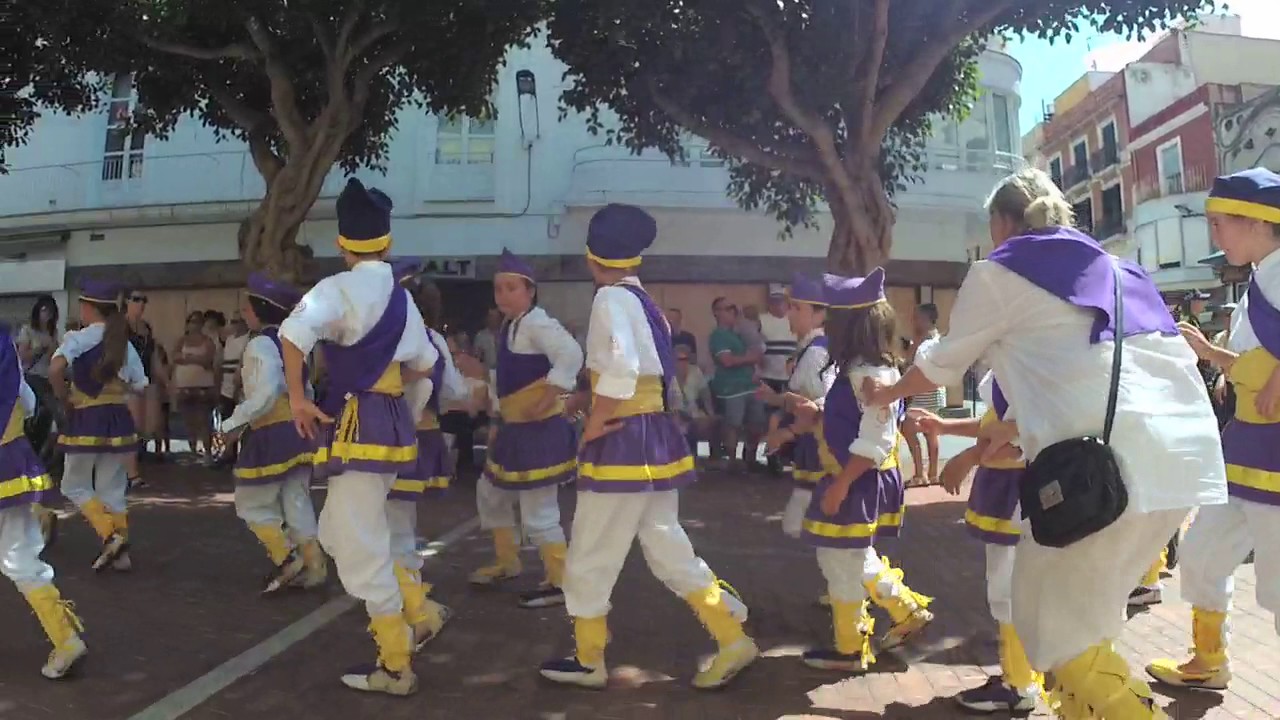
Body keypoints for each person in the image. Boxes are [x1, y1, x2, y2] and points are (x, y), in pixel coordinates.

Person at [862, 167, 1225, 718]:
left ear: (1001, 223)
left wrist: (889, 392)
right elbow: (1093, 377)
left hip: (1108, 470)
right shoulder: (1124, 271)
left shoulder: (998, 273)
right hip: (1179, 467)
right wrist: (987, 443)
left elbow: (940, 366)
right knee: (1087, 619)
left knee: (1049, 625)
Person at [540, 203, 755, 690]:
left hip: (621, 439)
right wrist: (588, 400)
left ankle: (589, 659)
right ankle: (729, 634)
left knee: (592, 552)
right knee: (667, 545)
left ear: (592, 257)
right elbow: (648, 378)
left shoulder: (609, 301)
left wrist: (592, 422)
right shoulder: (644, 303)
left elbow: (619, 376)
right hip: (653, 437)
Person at [280, 178, 438, 696]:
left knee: (355, 541)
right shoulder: (402, 297)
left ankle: (396, 663)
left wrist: (301, 399)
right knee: (349, 532)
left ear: (342, 243)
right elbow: (426, 363)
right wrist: (394, 395)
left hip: (355, 423)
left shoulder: (336, 288)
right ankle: (411, 620)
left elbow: (291, 333)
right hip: (389, 424)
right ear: (386, 243)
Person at [1147, 168, 1280, 693]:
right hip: (1245, 443)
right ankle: (1209, 660)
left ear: (1255, 222)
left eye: (1220, 223)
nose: (1215, 235)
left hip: (1274, 452)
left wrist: (1217, 356)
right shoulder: (1260, 279)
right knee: (1202, 554)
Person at [786, 270, 933, 673]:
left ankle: (851, 648)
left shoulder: (869, 371)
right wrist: (817, 413)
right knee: (849, 556)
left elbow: (875, 438)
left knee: (839, 560)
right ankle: (903, 611)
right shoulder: (863, 367)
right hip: (852, 475)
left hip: (854, 478)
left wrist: (841, 487)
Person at [910, 372, 1041, 713]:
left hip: (1017, 495)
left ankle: (1019, 683)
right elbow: (993, 426)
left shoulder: (1025, 367)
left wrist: (968, 458)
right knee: (1005, 589)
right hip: (1005, 492)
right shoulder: (1009, 366)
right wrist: (945, 426)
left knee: (1009, 591)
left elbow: (1022, 437)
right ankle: (1017, 674)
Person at [475, 249, 581, 609]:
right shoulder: (512, 325)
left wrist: (550, 394)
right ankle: (508, 561)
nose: (504, 295)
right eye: (499, 289)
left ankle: (560, 580)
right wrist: (496, 418)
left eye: (511, 288)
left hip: (538, 431)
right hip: (514, 430)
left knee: (539, 512)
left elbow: (571, 354)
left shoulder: (537, 323)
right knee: (490, 494)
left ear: (530, 291)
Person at [216, 273, 325, 595]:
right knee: (296, 499)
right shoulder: (293, 342)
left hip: (272, 432)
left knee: (251, 503)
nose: (243, 313)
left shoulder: (261, 343)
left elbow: (264, 395)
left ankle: (285, 556)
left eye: (247, 307)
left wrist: (230, 425)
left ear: (260, 309)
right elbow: (307, 389)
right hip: (298, 430)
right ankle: (314, 566)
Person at [0, 321, 87, 679]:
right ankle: (65, 637)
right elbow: (29, 402)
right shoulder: (5, 349)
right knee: (20, 557)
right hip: (13, 461)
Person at [49, 279, 148, 572]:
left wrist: (64, 396)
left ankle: (111, 535)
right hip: (117, 420)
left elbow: (55, 369)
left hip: (86, 418)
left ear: (88, 308)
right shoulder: (123, 343)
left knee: (73, 484)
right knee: (112, 487)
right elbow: (140, 385)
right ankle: (122, 556)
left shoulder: (78, 339)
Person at [388, 258, 460, 649]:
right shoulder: (434, 339)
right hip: (423, 438)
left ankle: (419, 614)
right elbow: (453, 391)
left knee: (391, 530)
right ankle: (416, 608)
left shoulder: (399, 339)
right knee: (400, 527)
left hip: (395, 441)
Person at [757, 274, 835, 543]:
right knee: (809, 527)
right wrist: (777, 399)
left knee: (803, 526)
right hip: (812, 448)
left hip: (819, 448)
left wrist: (786, 432)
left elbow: (822, 407)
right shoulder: (810, 349)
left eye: (797, 308)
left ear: (819, 314)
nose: (789, 314)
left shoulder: (816, 353)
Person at [17, 295, 62, 542]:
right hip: (32, 385)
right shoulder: (28, 331)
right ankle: (38, 513)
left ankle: (39, 514)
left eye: (50, 310)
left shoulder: (55, 335)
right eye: (43, 309)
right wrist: (38, 350)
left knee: (37, 448)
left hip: (46, 390)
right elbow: (23, 359)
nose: (46, 314)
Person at [709, 298, 765, 469]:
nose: (732, 312)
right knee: (733, 424)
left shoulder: (739, 334)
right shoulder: (718, 336)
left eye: (734, 309)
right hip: (731, 387)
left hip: (751, 385)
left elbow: (757, 353)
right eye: (727, 309)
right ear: (716, 312)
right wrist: (750, 358)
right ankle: (732, 462)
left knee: (756, 424)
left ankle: (751, 459)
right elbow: (727, 360)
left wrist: (746, 359)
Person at [901, 304, 943, 486]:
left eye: (917, 317)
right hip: (934, 391)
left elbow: (910, 362)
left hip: (924, 391)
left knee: (908, 428)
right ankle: (932, 473)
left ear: (926, 319)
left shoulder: (926, 342)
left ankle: (920, 474)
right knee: (930, 430)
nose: (913, 321)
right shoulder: (937, 339)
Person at [759, 288, 798, 474]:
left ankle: (783, 454)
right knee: (770, 418)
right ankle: (770, 456)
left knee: (785, 417)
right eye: (774, 301)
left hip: (790, 379)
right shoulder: (762, 320)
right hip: (769, 376)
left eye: (781, 301)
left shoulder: (793, 320)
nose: (778, 305)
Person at [172, 311, 218, 465]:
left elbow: (208, 360)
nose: (194, 324)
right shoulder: (181, 340)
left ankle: (208, 453)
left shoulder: (208, 341)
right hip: (184, 387)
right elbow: (175, 357)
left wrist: (188, 358)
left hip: (203, 387)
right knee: (189, 421)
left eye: (197, 322)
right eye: (191, 321)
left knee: (204, 421)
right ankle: (192, 452)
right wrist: (195, 359)